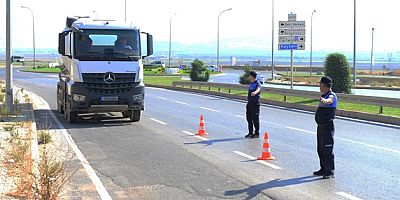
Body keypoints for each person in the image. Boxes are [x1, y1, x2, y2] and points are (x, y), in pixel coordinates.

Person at [313, 76, 337, 179]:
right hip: (321, 126)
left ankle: (330, 171)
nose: (319, 87)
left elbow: (330, 101)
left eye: (320, 85)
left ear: (325, 85)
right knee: (320, 149)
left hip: (327, 126)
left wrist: (325, 100)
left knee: (327, 149)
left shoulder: (331, 95)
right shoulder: (324, 95)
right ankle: (323, 168)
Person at [245, 71, 262, 139]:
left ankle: (256, 133)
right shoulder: (250, 84)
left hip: (255, 103)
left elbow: (259, 89)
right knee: (249, 118)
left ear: (252, 76)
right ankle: (250, 132)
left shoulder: (257, 83)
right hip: (249, 103)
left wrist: (255, 92)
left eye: (249, 76)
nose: (248, 77)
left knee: (255, 119)